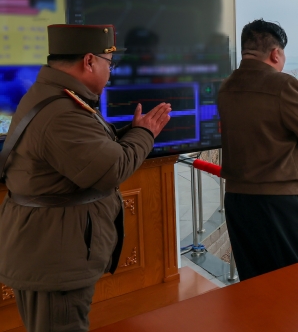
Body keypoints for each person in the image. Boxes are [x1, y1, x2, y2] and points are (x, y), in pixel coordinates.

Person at [0, 24, 171, 332]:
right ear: (89, 61)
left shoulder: (56, 97)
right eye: (109, 64)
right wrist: (146, 134)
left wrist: (132, 132)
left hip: (52, 250)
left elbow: (92, 151)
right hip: (55, 260)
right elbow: (111, 169)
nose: (111, 73)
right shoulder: (62, 113)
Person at [218, 19, 298, 280]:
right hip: (281, 205)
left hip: (238, 202)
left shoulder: (226, 87)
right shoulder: (280, 85)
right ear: (276, 53)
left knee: (255, 282)